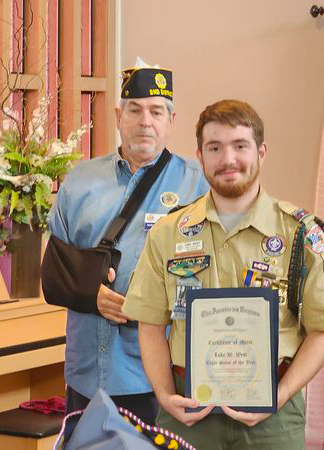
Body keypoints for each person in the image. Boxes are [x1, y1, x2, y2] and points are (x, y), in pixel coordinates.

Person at [123, 99, 324, 449]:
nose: (228, 159)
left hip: (273, 415)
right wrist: (165, 396)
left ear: (261, 152)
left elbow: (321, 330)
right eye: (215, 147)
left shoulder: (301, 235)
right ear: (200, 155)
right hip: (189, 413)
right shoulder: (167, 233)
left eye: (240, 146)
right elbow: (150, 324)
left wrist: (280, 395)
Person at [48, 59, 209, 424]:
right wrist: (91, 293)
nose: (145, 121)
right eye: (135, 110)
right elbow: (56, 270)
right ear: (119, 115)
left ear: (171, 120)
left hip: (161, 378)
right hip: (85, 373)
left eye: (156, 111)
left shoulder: (198, 186)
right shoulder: (79, 182)